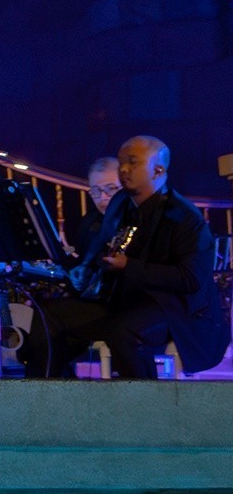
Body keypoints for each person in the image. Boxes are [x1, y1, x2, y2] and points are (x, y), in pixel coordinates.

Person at [20, 135, 228, 378]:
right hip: (125, 303)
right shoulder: (121, 206)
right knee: (50, 316)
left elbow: (190, 278)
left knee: (124, 331)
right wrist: (83, 268)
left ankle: (140, 400)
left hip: (176, 311)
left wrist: (129, 266)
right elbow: (101, 253)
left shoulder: (184, 216)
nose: (124, 170)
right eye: (121, 163)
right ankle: (46, 394)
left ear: (158, 170)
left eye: (133, 162)